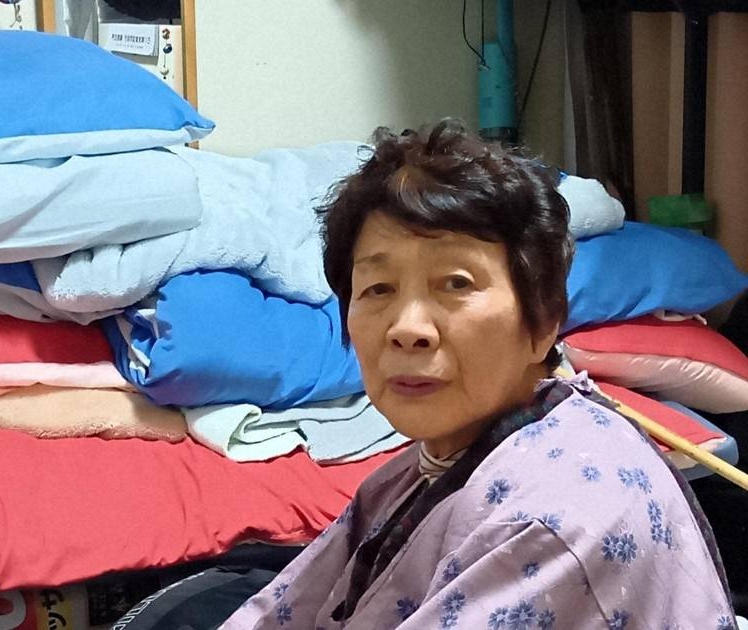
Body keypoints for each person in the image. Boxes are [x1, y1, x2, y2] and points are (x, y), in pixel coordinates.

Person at [116, 120, 736, 630]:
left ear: (543, 322)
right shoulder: (418, 472)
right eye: (378, 288)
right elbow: (286, 608)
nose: (407, 328)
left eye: (455, 284)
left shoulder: (554, 519)